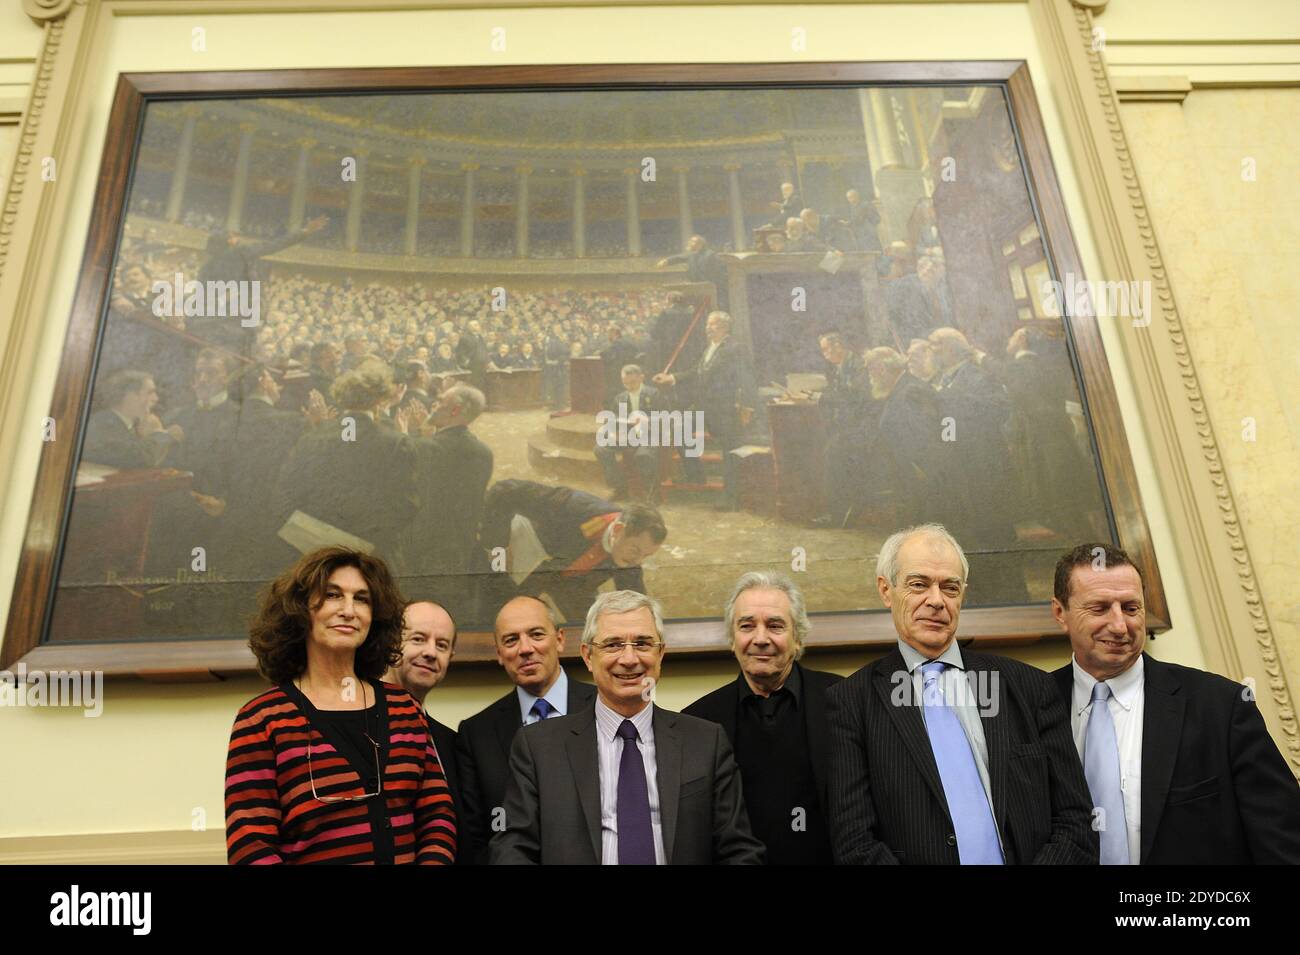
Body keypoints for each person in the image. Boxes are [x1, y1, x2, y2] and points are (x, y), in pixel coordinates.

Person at [826, 524, 1097, 864]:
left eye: (949, 587)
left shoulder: (1030, 688)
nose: (936, 600)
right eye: (919, 584)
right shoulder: (851, 703)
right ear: (886, 589)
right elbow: (855, 843)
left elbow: (1075, 820)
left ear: (962, 595)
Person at [1049, 543, 1300, 864]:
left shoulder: (1221, 707)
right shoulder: (1032, 704)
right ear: (1060, 613)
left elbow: (1283, 841)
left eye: (1130, 608)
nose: (1119, 625)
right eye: (1099, 609)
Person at [492, 590, 766, 864]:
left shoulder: (706, 742)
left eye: (643, 644)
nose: (629, 659)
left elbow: (739, 850)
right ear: (588, 656)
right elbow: (513, 848)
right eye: (612, 645)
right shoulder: (539, 747)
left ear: (660, 654)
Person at [223, 547, 456, 864]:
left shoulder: (405, 708)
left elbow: (437, 816)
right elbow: (251, 846)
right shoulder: (261, 721)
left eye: (361, 599)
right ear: (301, 610)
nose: (349, 610)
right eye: (333, 596)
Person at [683, 573, 843, 865]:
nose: (760, 639)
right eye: (746, 626)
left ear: (797, 637)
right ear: (733, 639)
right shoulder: (697, 721)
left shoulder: (844, 701)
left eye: (775, 626)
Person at [455, 595, 597, 864]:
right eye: (511, 640)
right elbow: (477, 838)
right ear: (499, 654)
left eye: (536, 634)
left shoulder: (604, 708)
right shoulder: (475, 734)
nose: (525, 649)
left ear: (560, 639)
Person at [275, 360, 420, 565]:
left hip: (314, 550)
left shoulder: (312, 437)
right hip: (372, 553)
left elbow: (287, 491)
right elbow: (405, 506)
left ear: (341, 397)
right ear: (379, 398)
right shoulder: (396, 442)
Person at [480, 479, 667, 621]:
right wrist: (498, 546)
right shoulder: (573, 505)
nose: (638, 560)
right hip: (530, 545)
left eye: (646, 556)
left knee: (594, 627)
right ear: (618, 530)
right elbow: (504, 490)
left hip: (564, 577)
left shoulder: (631, 557)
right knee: (500, 609)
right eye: (636, 550)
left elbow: (635, 603)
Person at [400, 384, 493, 623]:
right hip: (462, 549)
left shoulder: (427, 448)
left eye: (440, 401)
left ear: (455, 410)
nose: (434, 405)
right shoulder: (483, 452)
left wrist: (408, 435)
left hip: (423, 552)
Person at [653, 311, 756, 510]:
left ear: (725, 327)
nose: (708, 328)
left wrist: (747, 406)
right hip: (704, 409)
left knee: (730, 453)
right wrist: (672, 378)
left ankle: (731, 499)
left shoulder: (735, 349)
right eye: (707, 324)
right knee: (681, 429)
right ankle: (696, 475)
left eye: (713, 324)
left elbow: (747, 378)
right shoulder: (710, 347)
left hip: (725, 410)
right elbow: (695, 372)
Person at [386, 600, 462, 820]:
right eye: (418, 639)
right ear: (391, 643)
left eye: (442, 645)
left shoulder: (452, 743)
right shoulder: (358, 723)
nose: (431, 652)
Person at [813, 332, 872, 527]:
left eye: (826, 349)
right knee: (823, 445)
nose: (825, 355)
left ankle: (836, 513)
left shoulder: (858, 364)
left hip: (861, 426)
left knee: (832, 452)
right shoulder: (841, 366)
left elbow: (854, 395)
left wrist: (821, 398)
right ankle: (837, 509)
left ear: (838, 345)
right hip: (847, 425)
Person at [82, 370, 181, 470]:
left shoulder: (128, 425)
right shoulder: (103, 425)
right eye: (150, 393)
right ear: (130, 397)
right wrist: (158, 434)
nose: (156, 398)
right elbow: (137, 461)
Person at [593, 364, 662, 501]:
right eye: (625, 383)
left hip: (649, 436)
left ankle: (650, 493)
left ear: (641, 378)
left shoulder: (654, 394)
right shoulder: (620, 398)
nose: (629, 386)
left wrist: (645, 420)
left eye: (633, 382)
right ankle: (620, 488)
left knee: (644, 455)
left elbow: (664, 418)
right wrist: (614, 433)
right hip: (626, 436)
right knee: (601, 449)